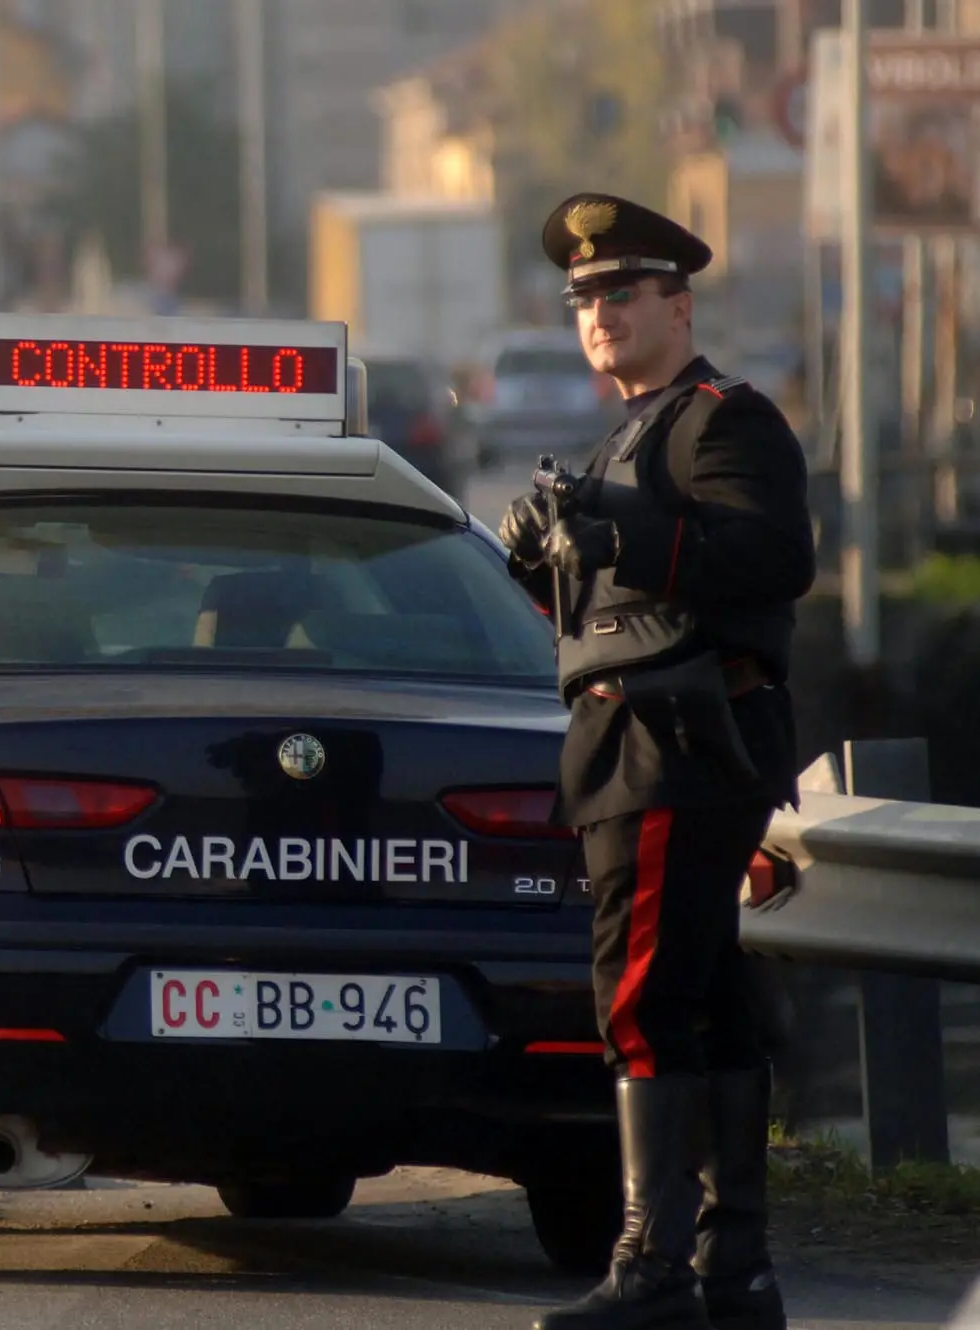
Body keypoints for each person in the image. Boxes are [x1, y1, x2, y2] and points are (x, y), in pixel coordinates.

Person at [501, 194, 812, 1330]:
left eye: (620, 294)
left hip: (677, 744)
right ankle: (733, 1275)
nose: (599, 313)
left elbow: (775, 558)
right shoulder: (627, 439)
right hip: (637, 740)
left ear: (678, 304)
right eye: (583, 298)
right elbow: (606, 614)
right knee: (705, 1005)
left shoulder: (719, 421)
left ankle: (653, 1269)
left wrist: (617, 531)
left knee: (636, 1003)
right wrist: (541, 559)